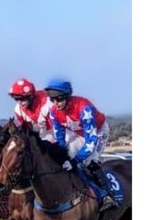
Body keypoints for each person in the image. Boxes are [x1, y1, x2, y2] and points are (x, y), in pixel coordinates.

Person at [42, 78, 117, 209]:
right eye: (52, 100)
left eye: (59, 99)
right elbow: (60, 138)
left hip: (98, 132)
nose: (55, 103)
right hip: (77, 133)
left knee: (89, 161)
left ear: (67, 96)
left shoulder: (84, 108)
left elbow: (90, 140)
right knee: (67, 159)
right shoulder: (54, 112)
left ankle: (107, 195)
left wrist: (75, 160)